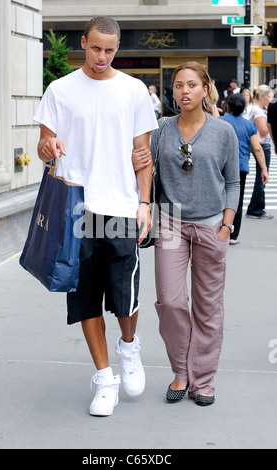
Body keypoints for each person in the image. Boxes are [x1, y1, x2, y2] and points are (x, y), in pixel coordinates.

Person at [33, 16, 158, 417]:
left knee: (127, 298)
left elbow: (143, 156)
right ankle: (105, 378)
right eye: (95, 47)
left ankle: (129, 345)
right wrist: (49, 146)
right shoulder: (60, 90)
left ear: (117, 48)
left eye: (110, 49)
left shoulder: (134, 90)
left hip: (121, 207)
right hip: (75, 209)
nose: (101, 56)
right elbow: (41, 146)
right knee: (84, 297)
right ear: (83, 42)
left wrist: (144, 203)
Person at [133, 61, 240, 406]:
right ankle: (181, 370)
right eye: (179, 85)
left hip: (211, 225)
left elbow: (234, 181)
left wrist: (226, 224)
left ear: (206, 88)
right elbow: (144, 164)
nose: (184, 91)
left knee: (208, 306)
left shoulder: (223, 131)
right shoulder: (162, 128)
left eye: (192, 84)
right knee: (171, 301)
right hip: (171, 223)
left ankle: (204, 379)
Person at [221, 94, 269, 245]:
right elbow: (257, 148)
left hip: (220, 165)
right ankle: (233, 236)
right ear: (244, 109)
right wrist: (264, 169)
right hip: (240, 166)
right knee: (237, 201)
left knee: (220, 198)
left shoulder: (220, 122)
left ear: (228, 107)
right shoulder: (249, 125)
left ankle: (218, 231)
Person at [246, 85, 274, 220]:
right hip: (262, 144)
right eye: (268, 97)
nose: (270, 99)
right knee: (262, 177)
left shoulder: (253, 108)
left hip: (258, 144)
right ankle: (256, 209)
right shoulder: (258, 111)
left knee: (260, 177)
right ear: (261, 96)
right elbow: (263, 131)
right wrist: (270, 121)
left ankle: (255, 207)